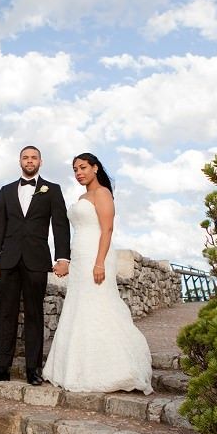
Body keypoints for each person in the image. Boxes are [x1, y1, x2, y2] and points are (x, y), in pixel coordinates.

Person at [43, 152, 154, 395]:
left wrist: (100, 263)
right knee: (80, 305)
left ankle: (113, 367)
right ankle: (76, 367)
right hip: (80, 256)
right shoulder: (83, 196)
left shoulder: (103, 193)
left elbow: (108, 230)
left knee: (100, 304)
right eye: (75, 169)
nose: (78, 173)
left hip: (96, 256)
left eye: (83, 167)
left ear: (95, 168)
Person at [0, 145, 71, 386]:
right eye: (26, 157)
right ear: (19, 161)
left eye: (34, 158)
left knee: (35, 314)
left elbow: (61, 226)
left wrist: (63, 258)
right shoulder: (5, 191)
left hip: (36, 259)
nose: (30, 161)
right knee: (5, 314)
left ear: (40, 162)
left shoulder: (52, 190)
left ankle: (33, 369)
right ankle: (2, 368)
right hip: (8, 260)